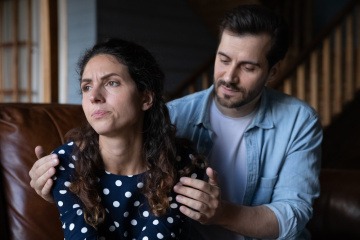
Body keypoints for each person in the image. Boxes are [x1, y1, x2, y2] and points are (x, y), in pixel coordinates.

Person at [29, 4, 322, 240]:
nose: (229, 76)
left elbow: (293, 215)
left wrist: (221, 214)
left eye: (248, 67)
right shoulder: (173, 116)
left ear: (272, 72)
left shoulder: (299, 121)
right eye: (223, 59)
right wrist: (61, 186)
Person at [35, 38, 206, 239]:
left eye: (112, 83)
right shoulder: (66, 163)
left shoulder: (182, 164)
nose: (94, 96)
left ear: (145, 98)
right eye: (86, 87)